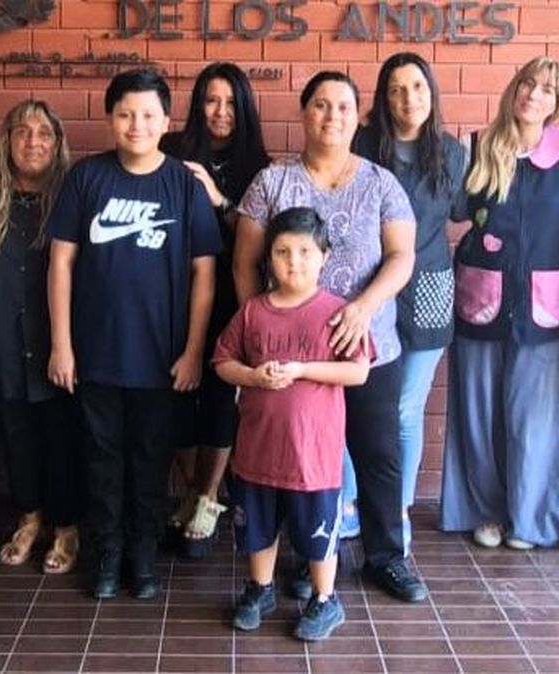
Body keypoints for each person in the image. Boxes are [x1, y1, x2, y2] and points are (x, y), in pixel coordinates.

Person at [235, 71, 428, 603]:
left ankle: (388, 558)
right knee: (301, 462)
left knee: (377, 455)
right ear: (304, 114)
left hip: (367, 346)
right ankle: (310, 560)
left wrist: (363, 308)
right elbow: (244, 263)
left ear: (357, 116)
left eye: (344, 107)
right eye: (321, 105)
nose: (332, 116)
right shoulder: (272, 183)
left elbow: (402, 256)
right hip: (291, 356)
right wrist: (260, 335)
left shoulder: (380, 182)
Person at [47, 69, 221, 600]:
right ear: (109, 118)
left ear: (167, 121)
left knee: (149, 464)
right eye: (125, 114)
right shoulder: (86, 178)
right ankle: (105, 558)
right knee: (100, 462)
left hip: (163, 360)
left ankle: (142, 559)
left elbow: (205, 276)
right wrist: (62, 344)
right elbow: (61, 262)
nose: (136, 124)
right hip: (95, 356)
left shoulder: (184, 186)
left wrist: (193, 351)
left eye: (148, 115)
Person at [439, 56, 559, 551]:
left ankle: (532, 518)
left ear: (557, 102)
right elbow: (454, 211)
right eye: (527, 84)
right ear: (513, 88)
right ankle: (486, 511)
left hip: (545, 299)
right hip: (481, 293)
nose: (533, 95)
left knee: (536, 415)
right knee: (479, 410)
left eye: (547, 89)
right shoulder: (476, 146)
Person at [213, 207, 370, 641]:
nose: (293, 261)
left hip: (313, 458)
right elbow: (222, 361)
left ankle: (325, 599)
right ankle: (259, 589)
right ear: (269, 258)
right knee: (258, 529)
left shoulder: (339, 312)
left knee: (318, 535)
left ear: (324, 256)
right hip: (257, 453)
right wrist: (251, 376)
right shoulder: (253, 312)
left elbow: (357, 372)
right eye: (282, 252)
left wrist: (302, 369)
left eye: (304, 251)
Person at [354, 52, 467, 550]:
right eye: (397, 89)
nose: (408, 99)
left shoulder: (452, 152)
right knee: (360, 402)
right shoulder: (362, 144)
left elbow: (465, 211)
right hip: (367, 288)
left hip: (429, 289)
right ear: (383, 97)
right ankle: (353, 504)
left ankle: (394, 508)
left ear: (431, 92)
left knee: (404, 409)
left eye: (417, 87)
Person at [160, 62, 271, 559]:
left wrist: (219, 198)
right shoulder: (171, 155)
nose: (220, 112)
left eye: (230, 102)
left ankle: (207, 498)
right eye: (211, 100)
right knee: (179, 401)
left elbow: (264, 246)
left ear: (244, 107)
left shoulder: (262, 168)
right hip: (174, 299)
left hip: (233, 297)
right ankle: (191, 487)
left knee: (221, 405)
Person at [0, 100, 85, 575]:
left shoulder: (73, 199)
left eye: (43, 133)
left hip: (56, 341)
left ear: (58, 142)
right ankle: (29, 518)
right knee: (15, 434)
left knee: (60, 437)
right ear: (6, 141)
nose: (32, 142)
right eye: (21, 132)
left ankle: (66, 525)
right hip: (4, 340)